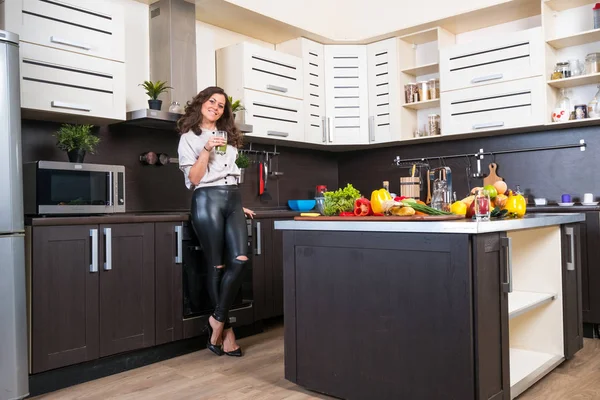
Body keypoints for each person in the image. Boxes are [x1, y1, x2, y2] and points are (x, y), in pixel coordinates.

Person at [177, 86, 255, 357]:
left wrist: (235, 204)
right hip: (206, 200)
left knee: (239, 259)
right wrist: (206, 149)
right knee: (217, 266)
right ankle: (228, 332)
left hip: (231, 199)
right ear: (201, 103)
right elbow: (195, 180)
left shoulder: (229, 136)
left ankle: (216, 320)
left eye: (221, 105)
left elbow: (229, 174)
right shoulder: (189, 138)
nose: (216, 107)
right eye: (212, 101)